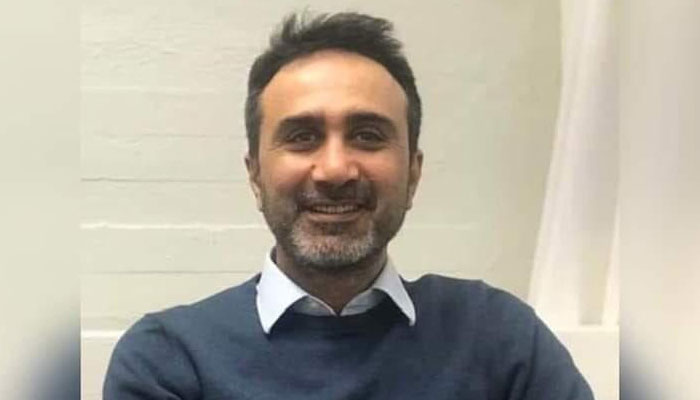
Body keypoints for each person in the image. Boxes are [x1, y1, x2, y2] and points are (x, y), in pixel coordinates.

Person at [104, 11, 594, 400]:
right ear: (255, 174)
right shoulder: (168, 359)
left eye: (368, 135)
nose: (335, 169)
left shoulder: (500, 338)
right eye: (302, 137)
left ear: (413, 173)